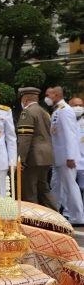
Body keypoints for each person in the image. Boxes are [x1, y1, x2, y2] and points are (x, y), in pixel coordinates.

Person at [46, 87, 84, 225]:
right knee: (55, 185)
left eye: (48, 95)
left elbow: (70, 135)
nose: (47, 97)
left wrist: (70, 157)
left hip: (66, 158)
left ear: (55, 95)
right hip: (58, 157)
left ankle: (77, 217)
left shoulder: (65, 110)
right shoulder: (58, 110)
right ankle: (53, 214)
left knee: (70, 186)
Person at [17, 87, 57, 210]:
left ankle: (34, 221)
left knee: (29, 191)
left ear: (24, 99)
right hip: (46, 155)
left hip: (33, 156)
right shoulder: (44, 111)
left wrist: (20, 159)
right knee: (43, 188)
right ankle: (56, 218)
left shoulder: (27, 112)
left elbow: (25, 138)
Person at [69, 97, 84, 193]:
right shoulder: (64, 121)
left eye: (80, 105)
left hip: (83, 161)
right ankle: (67, 208)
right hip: (69, 162)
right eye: (75, 105)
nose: (78, 107)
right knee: (69, 187)